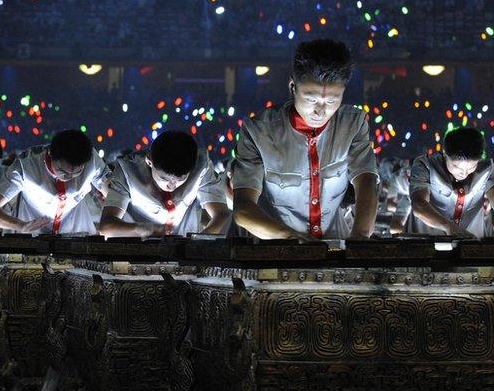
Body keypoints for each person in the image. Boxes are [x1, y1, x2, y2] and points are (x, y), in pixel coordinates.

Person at [232, 39, 379, 240]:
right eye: (311, 99)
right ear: (293, 86)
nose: (320, 110)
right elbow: (242, 209)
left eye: (331, 100)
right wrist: (292, 239)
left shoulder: (353, 124)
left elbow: (367, 181)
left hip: (335, 245)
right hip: (275, 251)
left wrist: (360, 236)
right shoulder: (259, 132)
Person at [99, 131, 230, 237]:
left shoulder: (201, 165)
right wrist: (146, 229)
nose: (172, 185)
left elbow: (221, 214)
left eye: (180, 179)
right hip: (139, 250)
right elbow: (107, 226)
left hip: (186, 248)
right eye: (164, 178)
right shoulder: (128, 171)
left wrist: (201, 240)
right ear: (149, 161)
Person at [0, 129, 109, 235]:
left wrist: (110, 200)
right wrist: (21, 226)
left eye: (77, 173)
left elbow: (114, 193)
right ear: (50, 154)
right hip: (34, 235)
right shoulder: (26, 165)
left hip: (77, 232)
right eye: (62, 170)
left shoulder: (92, 160)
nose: (69, 177)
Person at [409, 128, 494, 238]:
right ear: (444, 152)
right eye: (456, 167)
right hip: (431, 240)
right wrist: (448, 226)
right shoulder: (425, 166)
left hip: (472, 243)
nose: (464, 173)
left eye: (472, 167)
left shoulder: (487, 169)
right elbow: (419, 204)